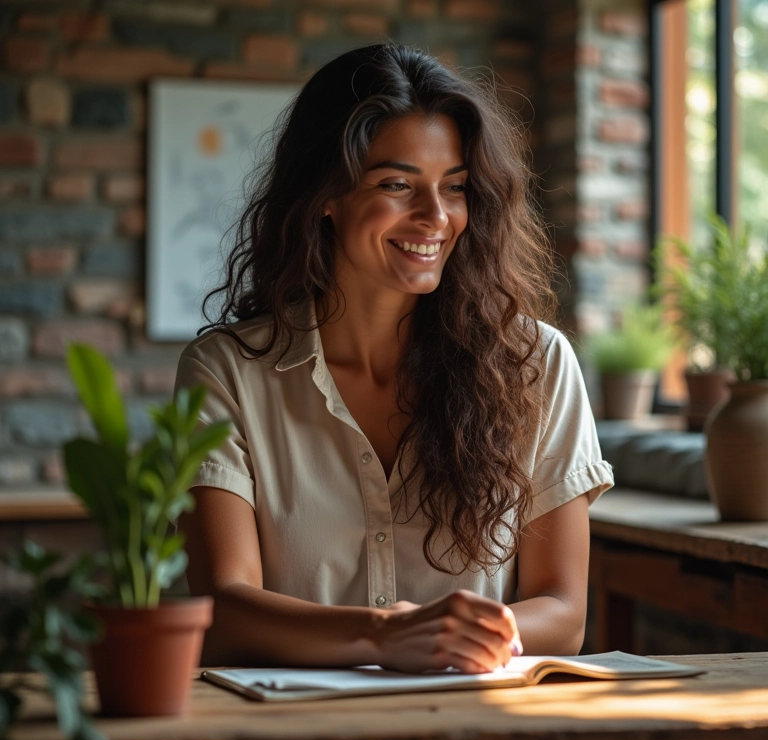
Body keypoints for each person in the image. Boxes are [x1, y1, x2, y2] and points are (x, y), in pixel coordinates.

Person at [175, 44, 614, 673]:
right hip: (288, 737)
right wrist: (385, 635)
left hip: (477, 729)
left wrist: (467, 637)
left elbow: (564, 612)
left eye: (455, 187)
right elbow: (223, 605)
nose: (436, 217)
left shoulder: (537, 363)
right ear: (325, 194)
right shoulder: (227, 373)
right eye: (397, 184)